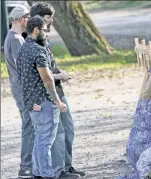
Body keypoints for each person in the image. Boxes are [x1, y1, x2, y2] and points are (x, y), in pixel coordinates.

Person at [29, 2, 85, 177]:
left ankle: (67, 166)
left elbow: (49, 66)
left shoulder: (45, 39)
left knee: (68, 129)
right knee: (57, 133)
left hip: (58, 90)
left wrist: (60, 72)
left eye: (51, 18)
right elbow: (38, 74)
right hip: (47, 95)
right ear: (38, 20)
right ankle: (58, 170)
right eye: (48, 19)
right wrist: (58, 76)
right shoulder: (34, 41)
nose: (51, 22)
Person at [16, 15, 67, 179]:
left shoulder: (23, 49)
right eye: (45, 30)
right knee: (45, 141)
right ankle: (46, 174)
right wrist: (57, 101)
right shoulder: (38, 50)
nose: (47, 34)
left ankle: (38, 173)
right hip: (45, 102)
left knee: (39, 138)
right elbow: (46, 78)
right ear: (36, 30)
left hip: (31, 103)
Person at [3, 6, 35, 179]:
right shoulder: (15, 39)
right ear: (21, 19)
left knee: (30, 126)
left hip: (21, 89)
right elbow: (23, 68)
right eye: (28, 17)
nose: (30, 20)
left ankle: (30, 166)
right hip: (23, 91)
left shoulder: (14, 38)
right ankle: (26, 168)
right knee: (29, 127)